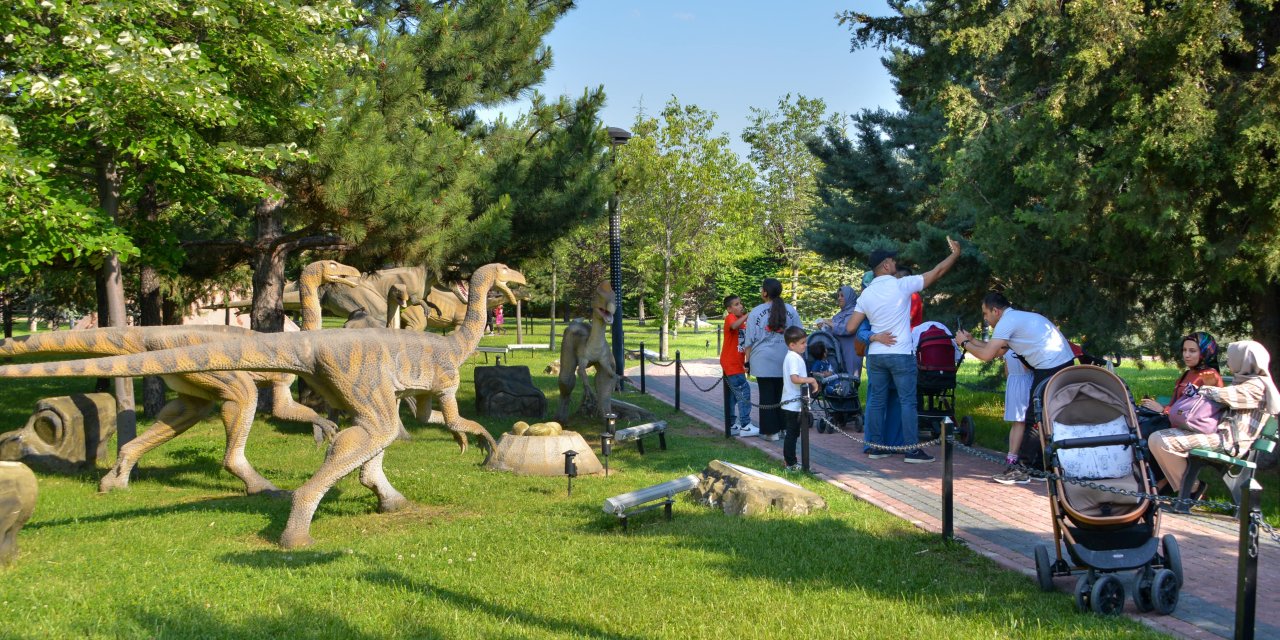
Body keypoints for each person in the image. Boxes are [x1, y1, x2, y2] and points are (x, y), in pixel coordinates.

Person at [845, 237, 963, 463]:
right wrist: (954, 255)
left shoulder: (866, 294)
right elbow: (936, 272)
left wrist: (873, 335)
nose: (895, 263)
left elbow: (851, 327)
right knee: (907, 401)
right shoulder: (902, 284)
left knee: (877, 401)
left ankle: (876, 448)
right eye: (892, 260)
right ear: (886, 265)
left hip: (877, 356)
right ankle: (911, 450)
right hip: (900, 353)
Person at [953, 292, 1076, 474]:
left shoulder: (1006, 322)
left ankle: (1023, 468)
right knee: (1044, 417)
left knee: (1034, 417)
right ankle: (1040, 466)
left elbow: (987, 355)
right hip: (1060, 363)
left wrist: (964, 344)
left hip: (1051, 367)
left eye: (985, 314)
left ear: (995, 311)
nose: (985, 319)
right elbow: (996, 351)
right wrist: (971, 341)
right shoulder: (1016, 318)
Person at [1149, 341, 1280, 498]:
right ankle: (1187, 488)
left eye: (1232, 357)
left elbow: (1220, 395)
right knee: (1157, 437)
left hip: (1230, 442)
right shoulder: (1245, 381)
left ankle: (1192, 489)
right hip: (1217, 435)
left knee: (1163, 440)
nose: (1228, 361)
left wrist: (1205, 387)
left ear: (1243, 359)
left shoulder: (1257, 386)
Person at [742, 278, 804, 442]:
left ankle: (771, 432)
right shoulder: (791, 310)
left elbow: (749, 341)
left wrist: (747, 361)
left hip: (762, 359)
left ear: (765, 292)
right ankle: (784, 428)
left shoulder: (756, 311)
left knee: (767, 396)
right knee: (784, 395)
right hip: (785, 358)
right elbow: (800, 335)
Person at [1139, 332, 1224, 436]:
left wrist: (1163, 410)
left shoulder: (1209, 375)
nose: (1186, 355)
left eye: (1192, 351)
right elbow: (1176, 405)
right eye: (1184, 350)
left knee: (1141, 432)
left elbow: (1202, 412)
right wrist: (1157, 407)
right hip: (1174, 421)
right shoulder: (1187, 374)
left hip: (1190, 429)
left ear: (1205, 352)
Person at [781, 326, 821, 471]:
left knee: (794, 433)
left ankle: (791, 462)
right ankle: (790, 463)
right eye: (803, 343)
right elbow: (795, 378)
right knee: (792, 434)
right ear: (792, 345)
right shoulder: (793, 357)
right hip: (793, 404)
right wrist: (811, 380)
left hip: (795, 403)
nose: (806, 345)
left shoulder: (794, 356)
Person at [992, 351, 1034, 484]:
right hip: (1025, 381)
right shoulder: (1022, 348)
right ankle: (1016, 458)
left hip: (1013, 382)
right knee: (1021, 422)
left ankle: (1011, 457)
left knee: (1016, 423)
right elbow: (1028, 367)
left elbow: (1007, 371)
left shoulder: (1007, 349)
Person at [720, 295, 759, 437]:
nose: (740, 306)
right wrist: (748, 315)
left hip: (737, 363)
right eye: (736, 304)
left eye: (740, 303)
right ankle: (745, 425)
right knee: (744, 391)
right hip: (731, 363)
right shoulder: (730, 318)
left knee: (732, 396)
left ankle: (731, 424)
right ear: (729, 308)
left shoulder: (741, 321)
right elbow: (733, 326)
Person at [818, 285, 862, 380]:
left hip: (851, 352)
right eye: (838, 296)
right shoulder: (839, 314)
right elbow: (832, 332)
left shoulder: (856, 312)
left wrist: (829, 323)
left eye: (842, 296)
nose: (839, 298)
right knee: (838, 381)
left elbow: (846, 329)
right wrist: (823, 327)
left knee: (851, 380)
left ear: (850, 297)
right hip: (837, 353)